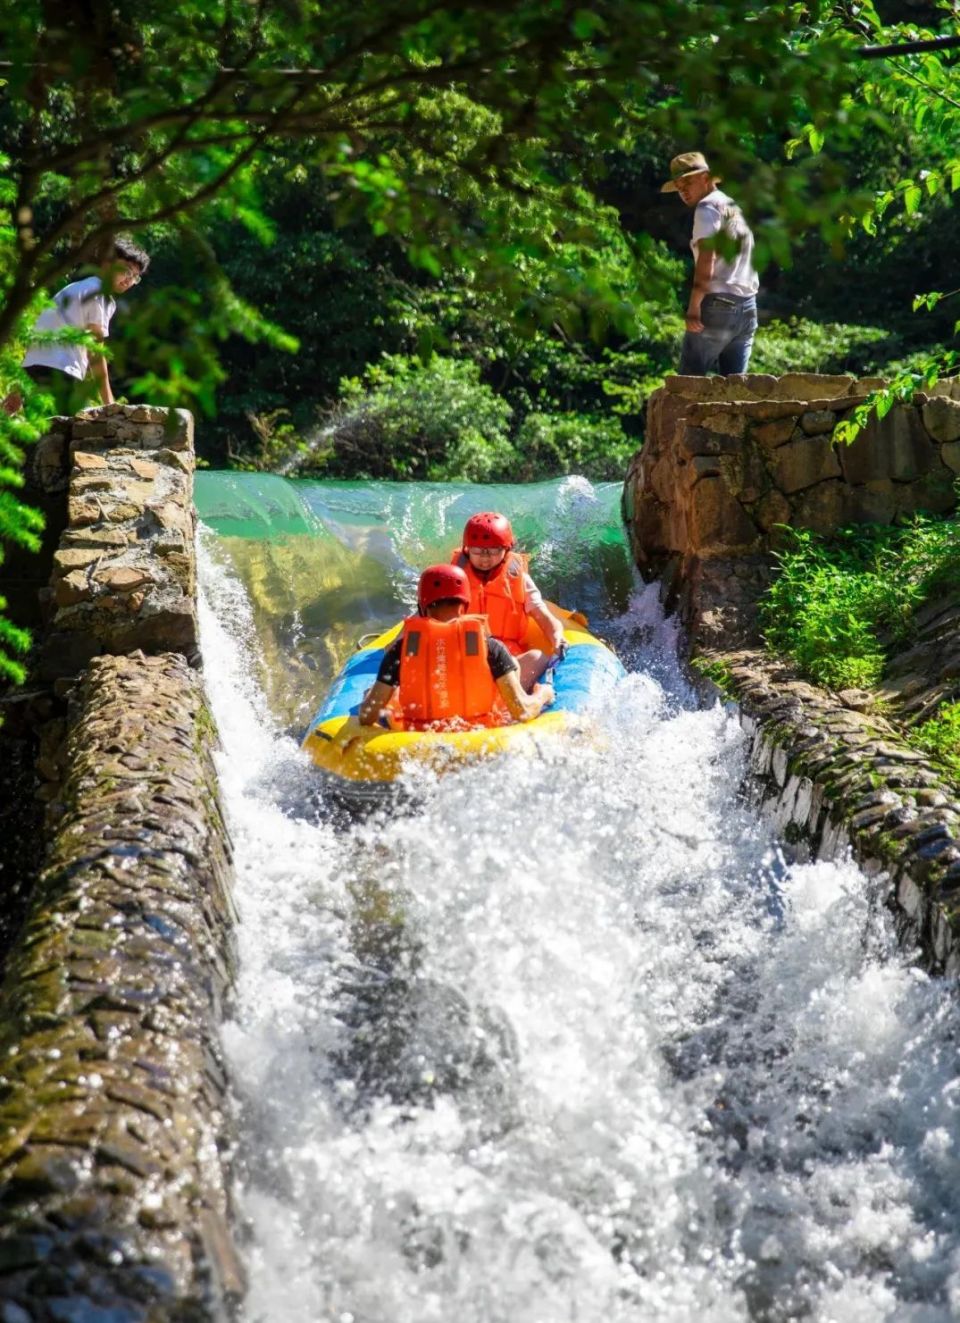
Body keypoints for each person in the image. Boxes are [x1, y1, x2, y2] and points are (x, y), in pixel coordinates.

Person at [358, 564, 554, 730]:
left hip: (418, 737)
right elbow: (523, 712)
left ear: (423, 604)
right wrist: (543, 694)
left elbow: (367, 716)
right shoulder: (491, 647)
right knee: (519, 667)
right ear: (465, 604)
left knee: (370, 694)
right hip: (478, 734)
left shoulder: (401, 649)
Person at [21, 236, 151, 410]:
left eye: (135, 277)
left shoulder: (75, 288)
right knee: (61, 433)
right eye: (127, 271)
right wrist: (110, 404)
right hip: (60, 371)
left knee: (36, 430)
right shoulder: (98, 294)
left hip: (33, 368)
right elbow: (96, 352)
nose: (129, 280)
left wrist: (17, 391)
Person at [661, 151, 759, 377]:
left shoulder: (706, 208)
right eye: (678, 186)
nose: (683, 190)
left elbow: (707, 258)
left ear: (706, 177)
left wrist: (694, 307)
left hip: (718, 306)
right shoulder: (733, 207)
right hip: (748, 310)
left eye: (688, 182)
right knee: (734, 390)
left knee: (687, 385)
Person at [451, 511, 565, 691]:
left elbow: (543, 616)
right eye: (478, 551)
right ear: (467, 550)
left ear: (506, 550)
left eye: (494, 551)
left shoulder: (520, 579)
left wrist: (557, 638)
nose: (485, 557)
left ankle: (503, 699)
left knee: (538, 657)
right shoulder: (453, 579)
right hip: (465, 657)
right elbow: (424, 615)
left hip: (509, 662)